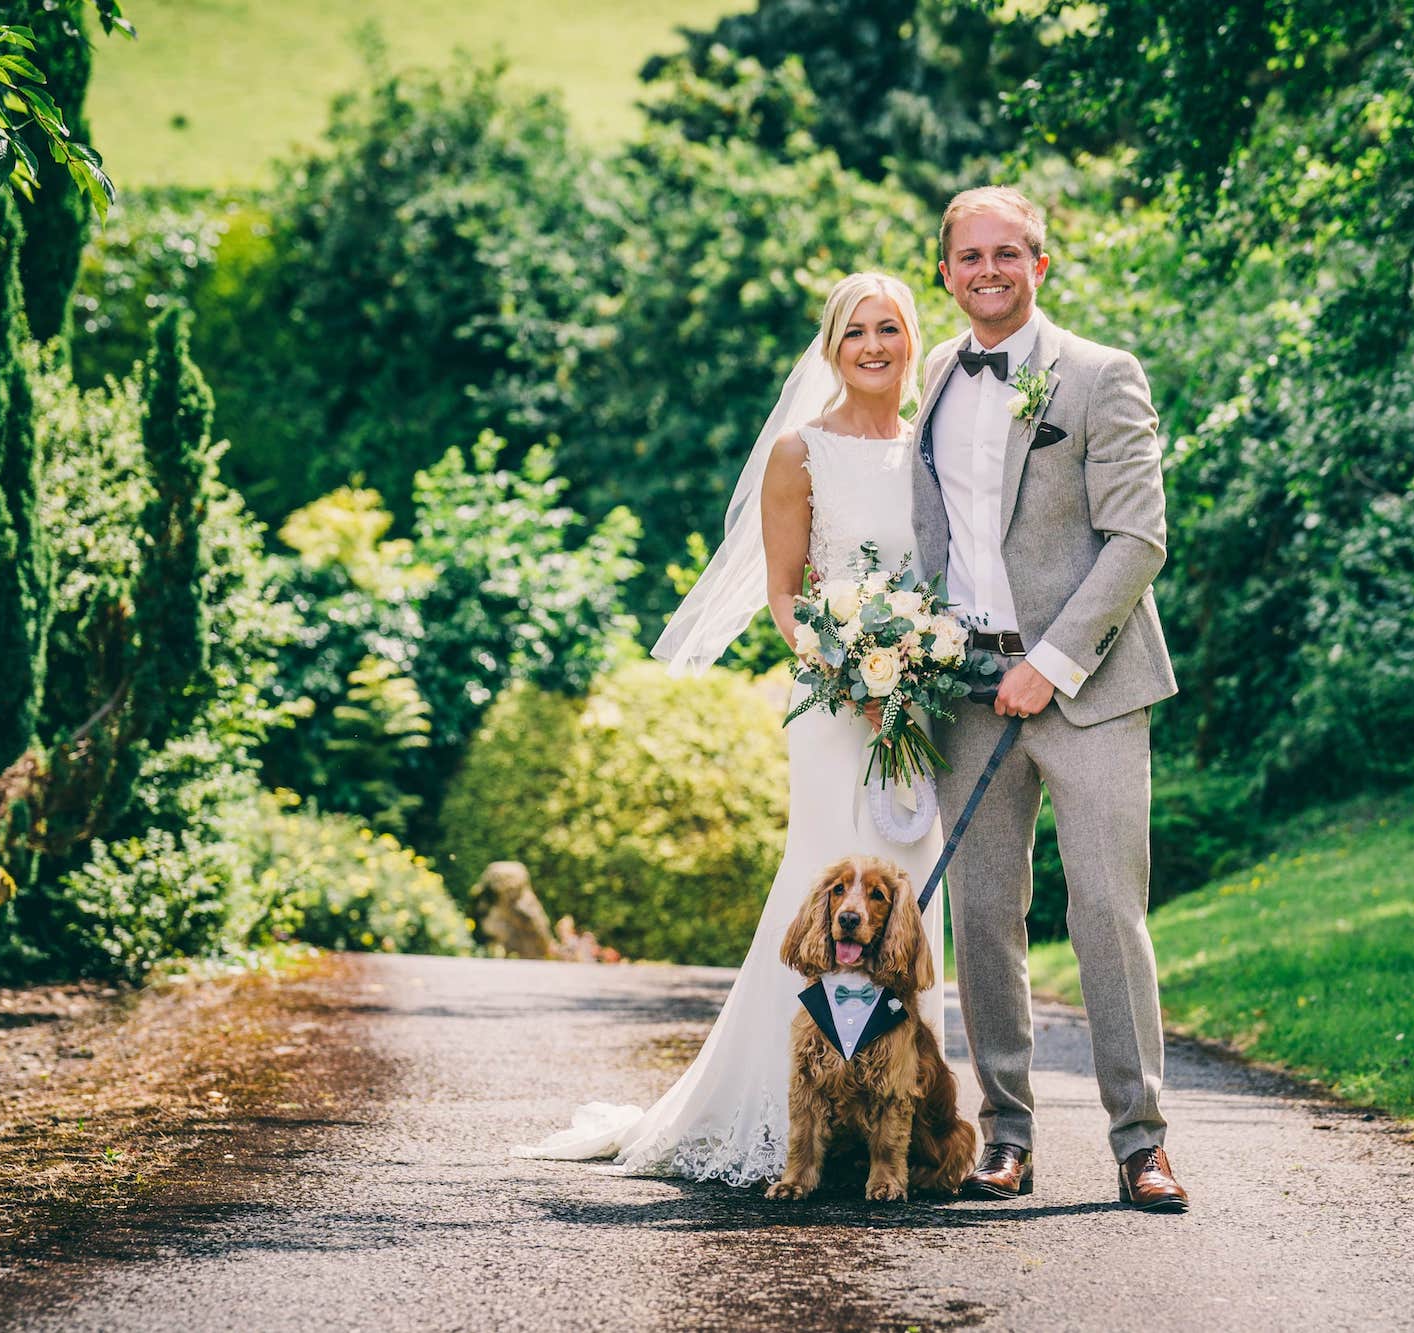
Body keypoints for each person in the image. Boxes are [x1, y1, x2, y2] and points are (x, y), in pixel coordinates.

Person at [510, 273, 945, 1185]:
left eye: (891, 328)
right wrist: (847, 665)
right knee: (821, 892)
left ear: (913, 339)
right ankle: (776, 1106)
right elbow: (788, 596)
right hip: (833, 710)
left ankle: (888, 1120)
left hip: (917, 713)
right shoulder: (800, 451)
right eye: (855, 331)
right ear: (831, 347)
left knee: (908, 899)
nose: (875, 346)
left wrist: (912, 669)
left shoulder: (930, 448)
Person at [910, 186, 1189, 1212]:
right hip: (967, 688)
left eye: (1006, 252)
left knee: (1106, 913)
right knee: (984, 916)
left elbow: (1137, 540)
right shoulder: (934, 375)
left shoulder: (1101, 377)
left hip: (1094, 688)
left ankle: (1140, 1141)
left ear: (1040, 263)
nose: (986, 268)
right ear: (945, 271)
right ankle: (1005, 1135)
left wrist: (1054, 658)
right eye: (967, 254)